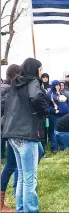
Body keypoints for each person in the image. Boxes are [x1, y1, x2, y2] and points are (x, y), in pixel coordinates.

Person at [2, 58, 49, 212]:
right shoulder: (32, 82)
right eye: (40, 69)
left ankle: (21, 209)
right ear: (34, 69)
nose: (40, 73)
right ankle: (31, 210)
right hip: (26, 135)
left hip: (13, 135)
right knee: (30, 179)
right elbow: (36, 97)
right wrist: (45, 111)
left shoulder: (16, 84)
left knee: (22, 175)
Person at [1, 64, 22, 212]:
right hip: (11, 129)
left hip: (9, 128)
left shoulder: (6, 88)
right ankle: (1, 203)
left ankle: (17, 189)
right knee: (10, 164)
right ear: (16, 74)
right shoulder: (8, 90)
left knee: (12, 163)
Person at [47, 80, 69, 153]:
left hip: (63, 115)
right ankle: (54, 148)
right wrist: (54, 111)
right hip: (54, 116)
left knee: (62, 131)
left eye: (59, 85)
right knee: (54, 132)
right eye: (56, 85)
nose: (58, 86)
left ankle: (63, 146)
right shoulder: (49, 94)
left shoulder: (62, 93)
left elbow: (67, 102)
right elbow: (47, 106)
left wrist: (67, 109)